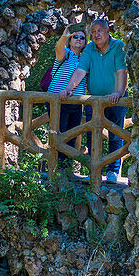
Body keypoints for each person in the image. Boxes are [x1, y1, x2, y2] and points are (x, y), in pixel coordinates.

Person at [58, 17, 128, 183]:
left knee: (115, 135)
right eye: (93, 32)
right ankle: (93, 170)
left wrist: (119, 92)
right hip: (94, 100)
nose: (96, 35)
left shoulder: (118, 46)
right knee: (92, 133)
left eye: (100, 31)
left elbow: (122, 72)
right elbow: (80, 70)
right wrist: (69, 88)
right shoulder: (89, 48)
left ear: (107, 32)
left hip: (116, 100)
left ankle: (113, 171)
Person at [48, 26, 88, 159]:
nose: (78, 39)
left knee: (71, 137)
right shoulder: (66, 53)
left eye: (82, 38)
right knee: (59, 135)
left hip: (76, 104)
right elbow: (58, 49)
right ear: (70, 40)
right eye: (75, 36)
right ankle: (56, 170)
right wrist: (64, 36)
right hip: (58, 101)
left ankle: (66, 169)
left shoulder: (85, 59)